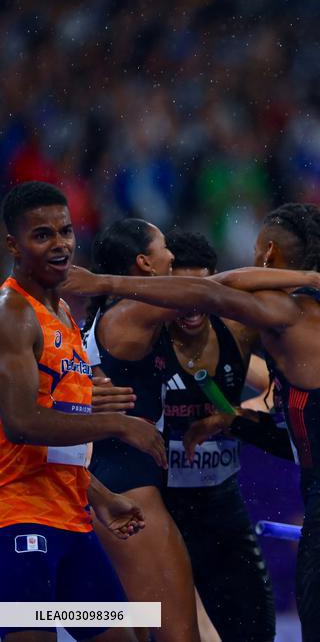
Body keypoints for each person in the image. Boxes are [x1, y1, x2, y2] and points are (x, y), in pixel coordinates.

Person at [79, 204, 320, 642]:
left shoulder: (275, 316)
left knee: (147, 628)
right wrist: (235, 419)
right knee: (125, 625)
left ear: (269, 254)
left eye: (258, 251)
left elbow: (211, 290)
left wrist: (102, 282)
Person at [0, 181, 164, 642]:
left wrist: (102, 496)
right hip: (18, 521)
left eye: (66, 231)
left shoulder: (63, 314)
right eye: (43, 235)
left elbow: (54, 439)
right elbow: (22, 424)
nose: (61, 245)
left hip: (72, 520)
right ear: (13, 244)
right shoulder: (13, 314)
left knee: (126, 637)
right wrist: (118, 424)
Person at [157, 230, 276, 642]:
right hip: (162, 508)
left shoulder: (236, 333)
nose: (192, 306)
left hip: (222, 500)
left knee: (257, 627)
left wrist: (231, 417)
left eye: (203, 290)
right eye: (181, 291)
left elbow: (281, 394)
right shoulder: (141, 337)